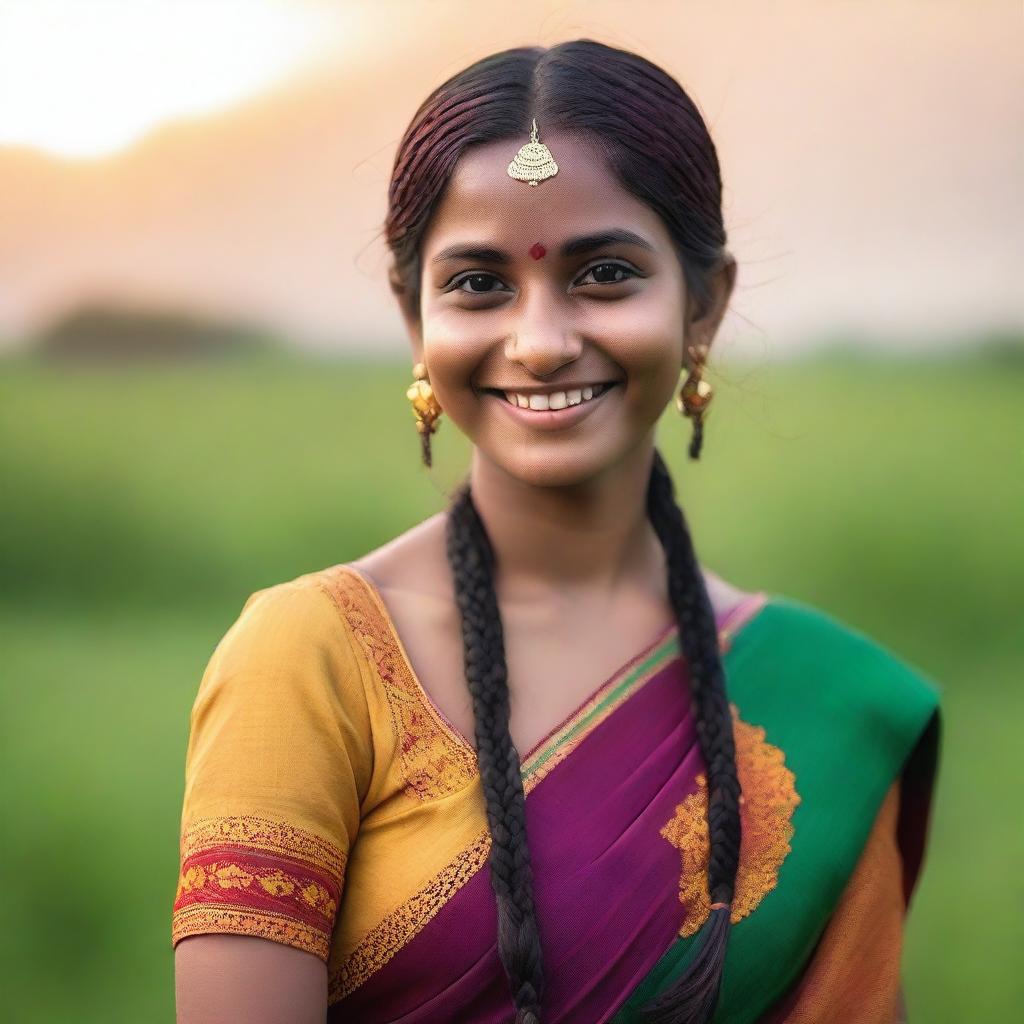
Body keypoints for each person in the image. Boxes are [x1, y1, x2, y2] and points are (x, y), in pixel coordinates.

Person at [172, 40, 942, 1024]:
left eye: (605, 273)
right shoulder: (307, 660)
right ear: (414, 320)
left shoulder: (829, 705)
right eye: (477, 284)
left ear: (703, 305)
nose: (539, 342)